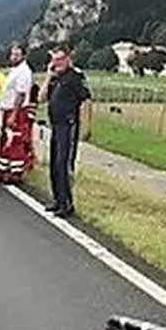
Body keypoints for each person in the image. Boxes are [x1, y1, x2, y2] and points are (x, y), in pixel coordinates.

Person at [42, 45, 92, 217]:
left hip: (68, 125)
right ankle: (57, 199)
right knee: (54, 164)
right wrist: (49, 76)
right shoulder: (55, 78)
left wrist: (87, 125)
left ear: (69, 59)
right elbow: (41, 97)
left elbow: (86, 101)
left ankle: (67, 203)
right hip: (55, 125)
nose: (58, 63)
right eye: (55, 60)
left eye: (61, 59)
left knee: (64, 164)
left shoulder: (75, 77)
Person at [0, 44, 36, 185]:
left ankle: (16, 172)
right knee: (5, 140)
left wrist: (14, 114)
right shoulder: (15, 70)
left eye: (17, 55)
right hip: (7, 109)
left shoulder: (24, 71)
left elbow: (20, 94)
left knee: (15, 140)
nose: (13, 57)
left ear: (23, 56)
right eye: (12, 54)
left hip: (17, 111)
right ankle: (2, 169)